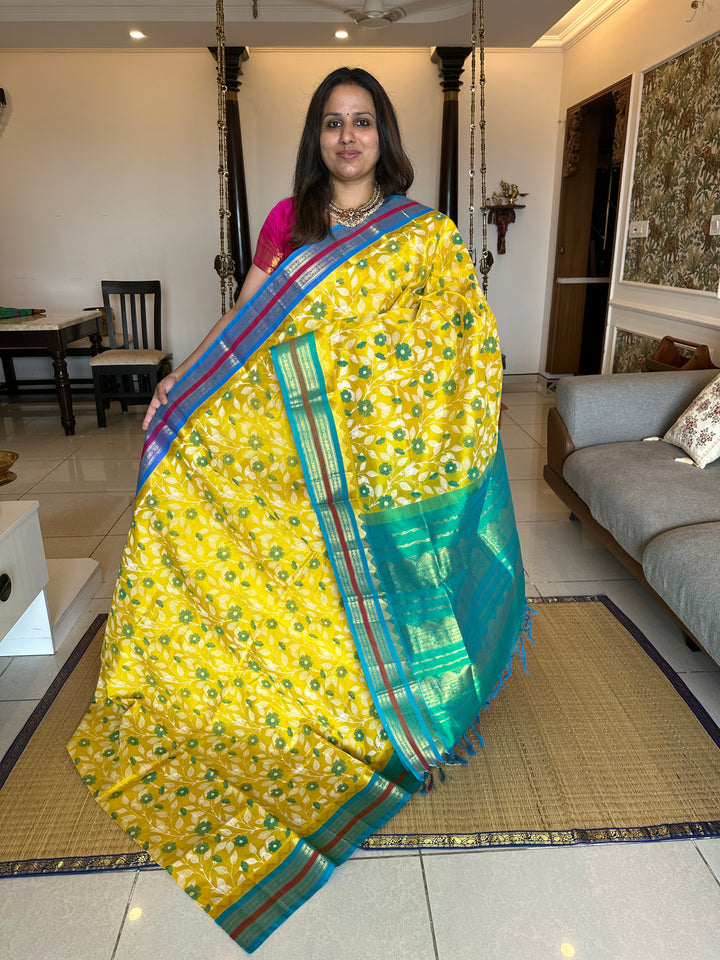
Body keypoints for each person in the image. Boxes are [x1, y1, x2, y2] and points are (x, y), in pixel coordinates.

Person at [69, 67, 528, 955]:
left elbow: (457, 340)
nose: (347, 138)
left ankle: (400, 705)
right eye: (331, 124)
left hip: (380, 453)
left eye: (362, 123)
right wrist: (183, 383)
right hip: (301, 446)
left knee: (382, 575)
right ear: (316, 137)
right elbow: (248, 324)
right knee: (303, 583)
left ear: (383, 136)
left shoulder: (423, 235)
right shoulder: (289, 224)